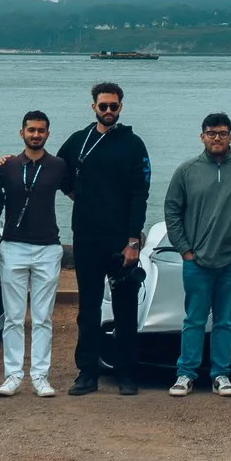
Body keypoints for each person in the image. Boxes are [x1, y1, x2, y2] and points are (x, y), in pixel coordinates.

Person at [163, 113, 231, 397]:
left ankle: (221, 374)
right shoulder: (187, 171)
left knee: (225, 321)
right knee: (194, 319)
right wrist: (184, 250)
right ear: (202, 136)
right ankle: (185, 374)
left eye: (222, 133)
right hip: (196, 260)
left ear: (230, 136)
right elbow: (172, 211)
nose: (216, 138)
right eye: (211, 133)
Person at [60, 82, 151, 396]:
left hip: (120, 239)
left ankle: (127, 374)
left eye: (114, 106)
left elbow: (141, 194)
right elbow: (57, 173)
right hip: (86, 238)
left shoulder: (133, 144)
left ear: (121, 107)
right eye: (103, 106)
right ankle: (87, 373)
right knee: (88, 308)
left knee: (125, 310)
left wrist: (133, 241)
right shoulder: (78, 141)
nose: (108, 111)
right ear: (93, 106)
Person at [0, 110, 72, 398]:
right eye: (31, 130)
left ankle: (41, 376)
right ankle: (13, 375)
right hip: (13, 246)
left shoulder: (59, 165)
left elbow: (77, 194)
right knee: (13, 317)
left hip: (48, 247)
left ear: (48, 134)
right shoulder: (8, 166)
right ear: (21, 133)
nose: (36, 135)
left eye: (41, 130)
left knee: (43, 318)